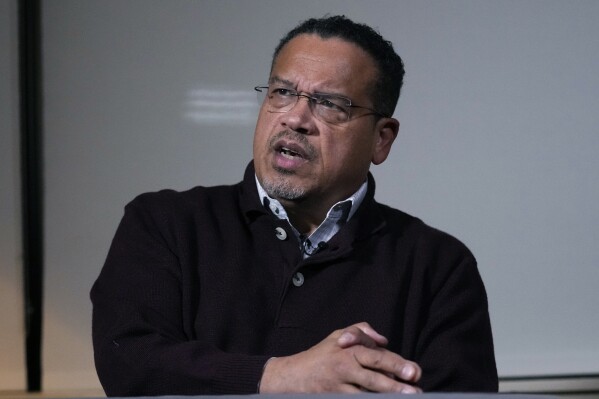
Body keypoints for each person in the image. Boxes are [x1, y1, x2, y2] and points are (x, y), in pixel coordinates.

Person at [91, 15, 498, 396]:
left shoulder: (439, 266)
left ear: (382, 139)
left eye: (330, 103)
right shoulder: (165, 224)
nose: (295, 118)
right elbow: (129, 363)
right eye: (282, 92)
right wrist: (281, 376)